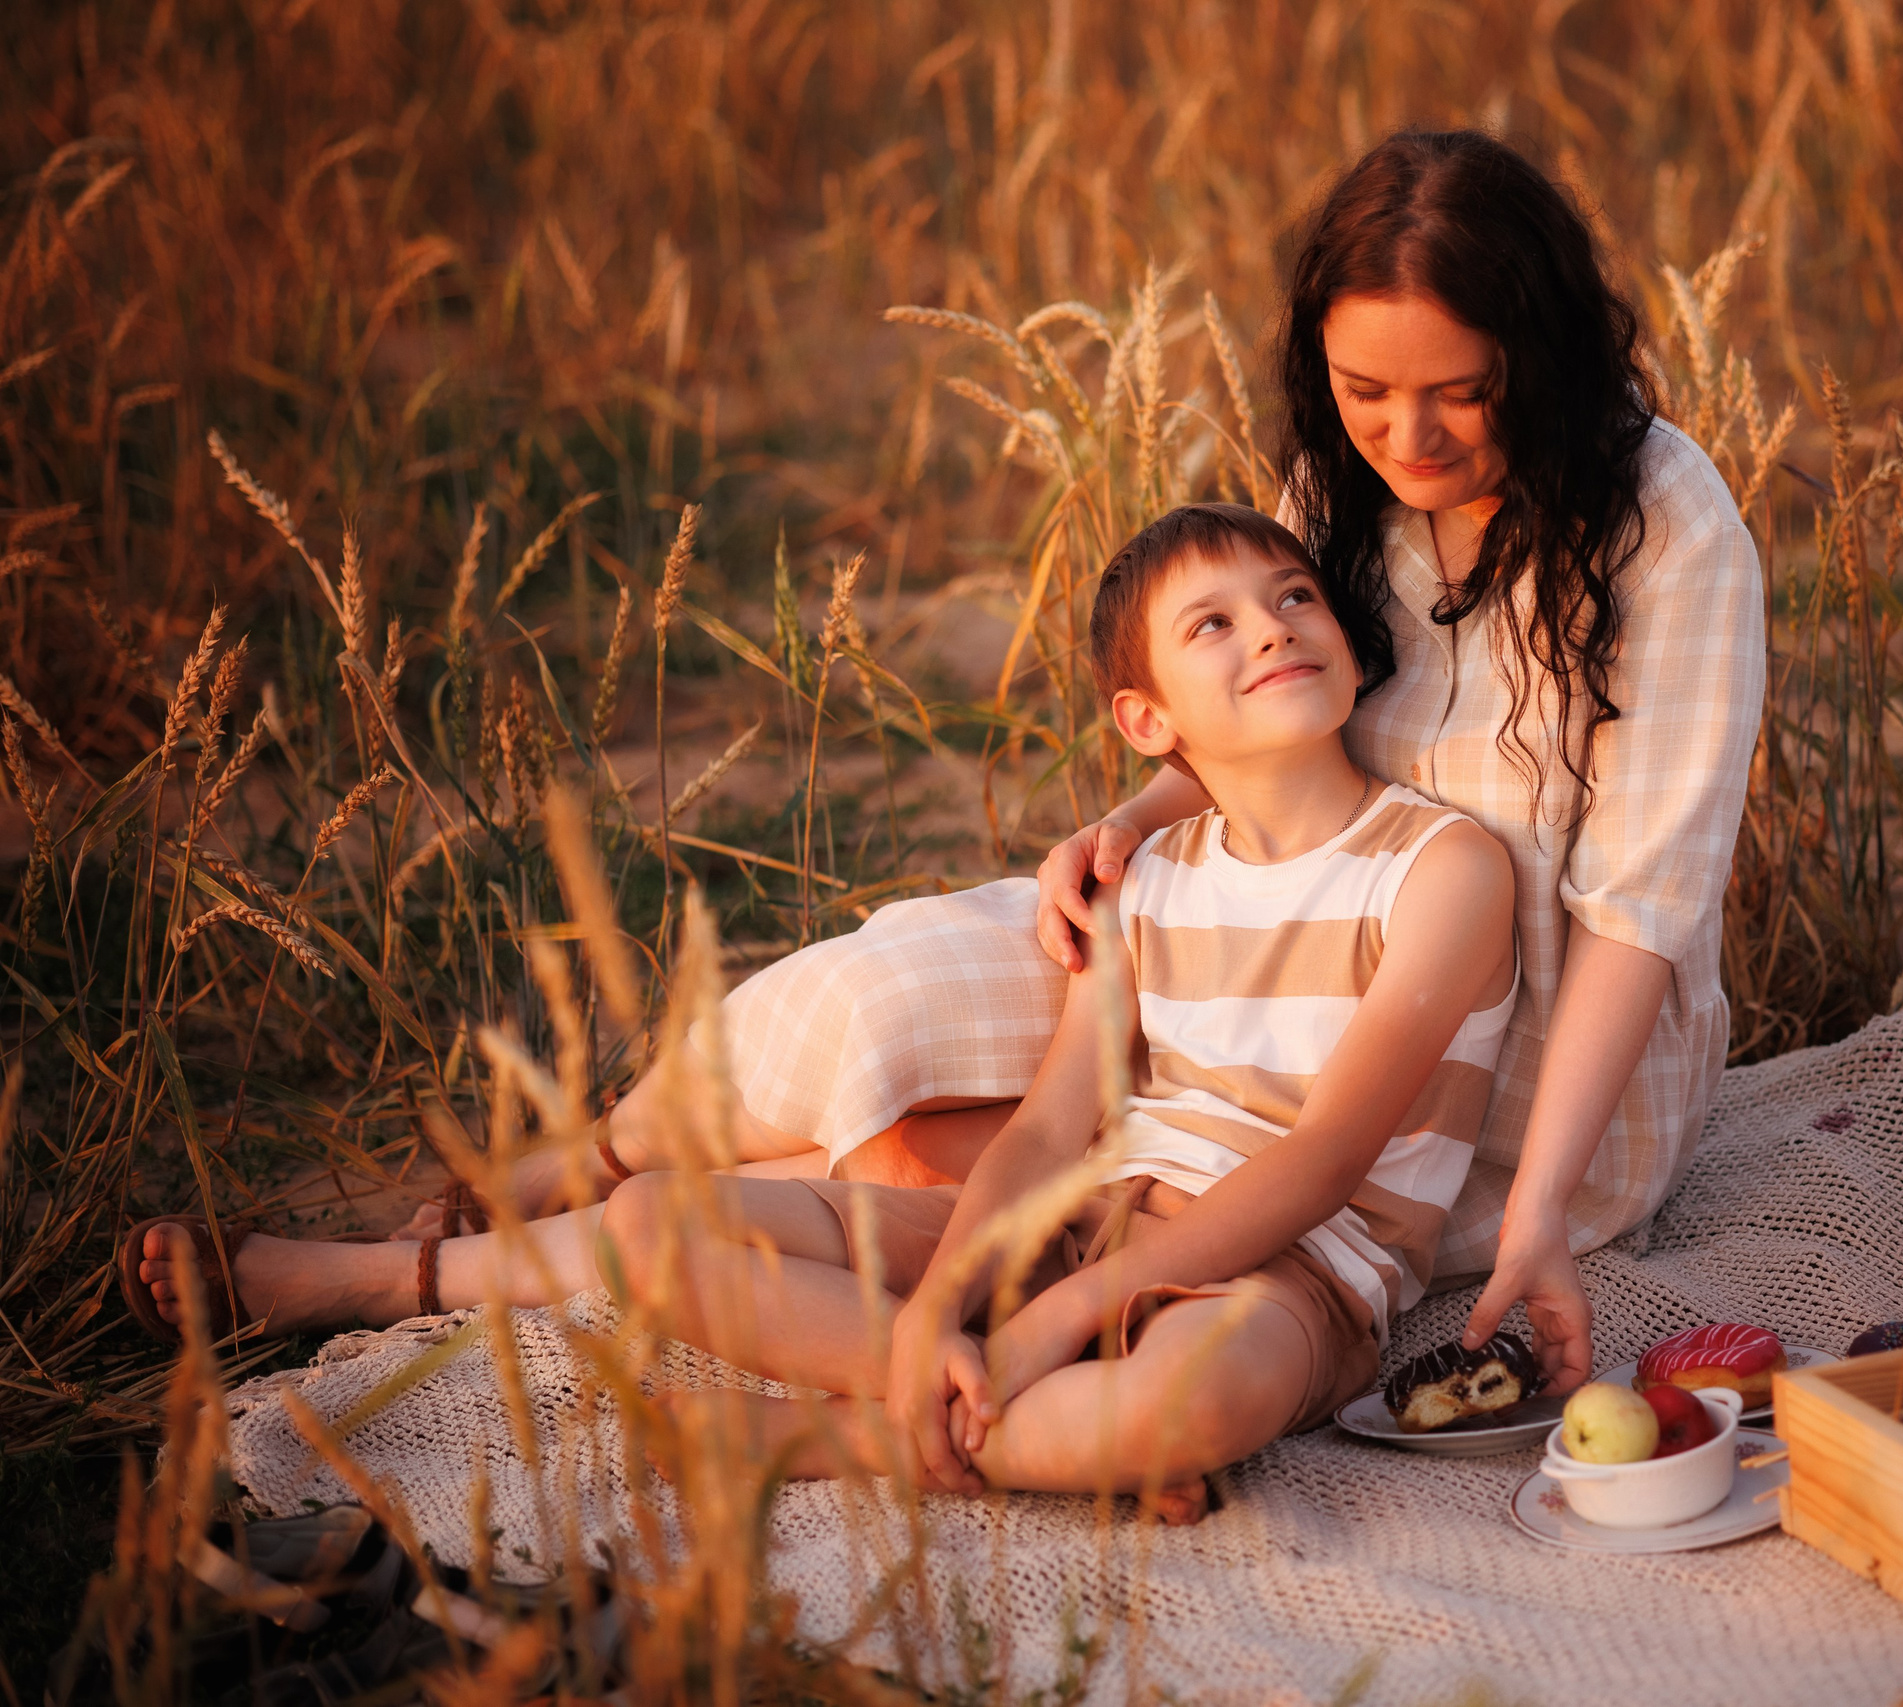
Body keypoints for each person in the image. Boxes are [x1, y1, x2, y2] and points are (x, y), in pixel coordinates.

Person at [135, 127, 1763, 1396]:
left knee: (930, 1169)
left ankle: (564, 1247)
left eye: (1460, 398)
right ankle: (609, 1153)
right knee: (896, 988)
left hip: (1517, 1047)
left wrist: (1539, 1213)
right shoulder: (1344, 481)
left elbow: (1639, 909)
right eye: (1364, 394)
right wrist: (1130, 822)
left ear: (1539, 361)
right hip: (1255, 892)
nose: (1405, 440)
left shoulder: (1666, 526)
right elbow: (1268, 702)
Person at [134, 504, 1518, 1522]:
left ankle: (823, 1438)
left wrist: (1062, 1315)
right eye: (1214, 623)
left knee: (1186, 1402)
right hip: (1097, 1214)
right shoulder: (1148, 873)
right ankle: (971, 1402)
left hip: (1293, 1274)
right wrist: (962, 1299)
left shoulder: (1442, 868)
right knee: (650, 1225)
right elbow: (1049, 1132)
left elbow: (1324, 1160)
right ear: (1147, 721)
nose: (1272, 626)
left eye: (1292, 599)